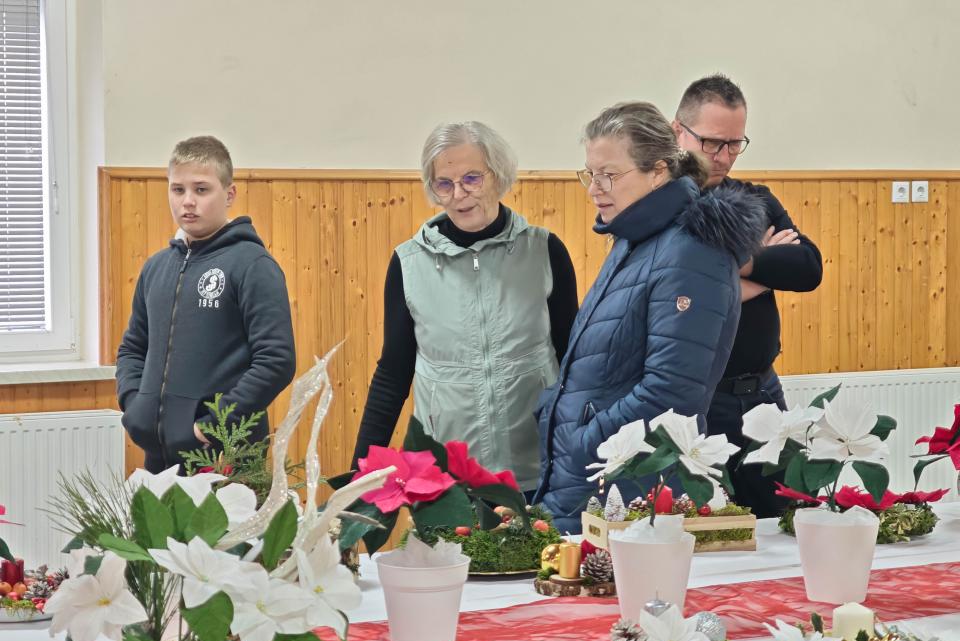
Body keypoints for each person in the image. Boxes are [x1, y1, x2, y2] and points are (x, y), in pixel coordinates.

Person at [534, 101, 767, 533]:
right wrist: (554, 413)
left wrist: (583, 439)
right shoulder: (634, 239)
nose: (594, 188)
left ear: (657, 172)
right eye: (589, 174)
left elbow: (672, 392)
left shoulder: (690, 250)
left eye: (609, 175)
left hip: (633, 485)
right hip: (594, 474)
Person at [351, 121, 578, 493]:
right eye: (444, 183)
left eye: (472, 178)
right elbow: (393, 373)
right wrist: (357, 477)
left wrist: (579, 454)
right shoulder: (409, 264)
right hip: (444, 481)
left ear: (497, 175)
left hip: (535, 470)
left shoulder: (543, 251)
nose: (459, 194)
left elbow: (573, 359)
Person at [673, 74, 823, 518]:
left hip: (763, 393)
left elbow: (808, 267)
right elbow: (677, 300)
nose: (723, 157)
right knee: (709, 530)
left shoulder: (754, 198)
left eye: (735, 144)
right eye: (711, 142)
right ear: (678, 131)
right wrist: (762, 260)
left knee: (791, 520)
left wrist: (730, 265)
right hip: (698, 400)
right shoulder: (660, 207)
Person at [116, 136, 296, 473]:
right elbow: (133, 348)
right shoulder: (156, 268)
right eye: (178, 189)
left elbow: (276, 361)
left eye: (201, 189)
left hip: (226, 454)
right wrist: (135, 405)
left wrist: (210, 428)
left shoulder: (252, 265)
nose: (188, 201)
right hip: (160, 454)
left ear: (229, 194)